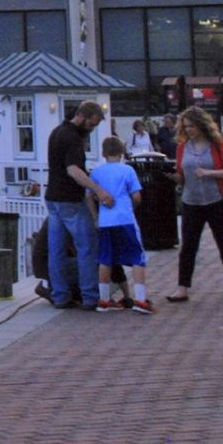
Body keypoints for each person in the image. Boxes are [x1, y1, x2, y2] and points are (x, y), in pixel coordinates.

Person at [166, 106, 223, 302]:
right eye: (186, 127)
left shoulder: (217, 145)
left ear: (202, 125)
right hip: (191, 202)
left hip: (217, 200)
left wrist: (209, 173)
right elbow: (182, 174)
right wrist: (175, 177)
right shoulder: (183, 147)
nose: (189, 130)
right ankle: (182, 287)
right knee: (188, 246)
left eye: (192, 126)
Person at [45, 101, 113, 310]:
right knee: (87, 247)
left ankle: (60, 295)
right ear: (82, 116)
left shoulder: (56, 132)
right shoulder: (73, 138)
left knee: (56, 250)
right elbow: (73, 170)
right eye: (91, 124)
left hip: (53, 197)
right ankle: (90, 296)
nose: (91, 129)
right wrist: (98, 189)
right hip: (70, 199)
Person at [90, 136, 153, 314]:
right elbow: (137, 197)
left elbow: (88, 195)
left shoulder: (97, 172)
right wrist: (131, 208)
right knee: (137, 257)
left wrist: (95, 216)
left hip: (105, 221)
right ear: (122, 152)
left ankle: (103, 299)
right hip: (125, 218)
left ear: (103, 153)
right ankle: (140, 299)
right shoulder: (127, 170)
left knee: (105, 258)